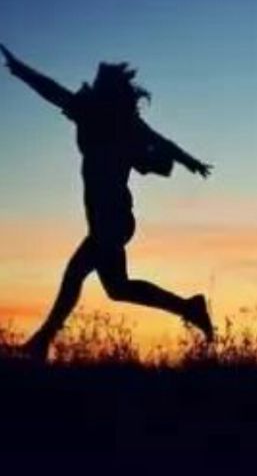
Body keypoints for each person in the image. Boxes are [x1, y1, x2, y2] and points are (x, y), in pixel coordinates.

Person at [1, 44, 214, 360]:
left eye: (99, 83)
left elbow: (162, 143)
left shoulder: (122, 124)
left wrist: (188, 161)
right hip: (106, 219)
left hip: (113, 219)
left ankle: (40, 344)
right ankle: (189, 307)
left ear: (109, 92)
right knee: (118, 288)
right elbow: (51, 90)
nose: (92, 85)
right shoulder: (91, 114)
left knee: (75, 274)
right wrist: (20, 69)